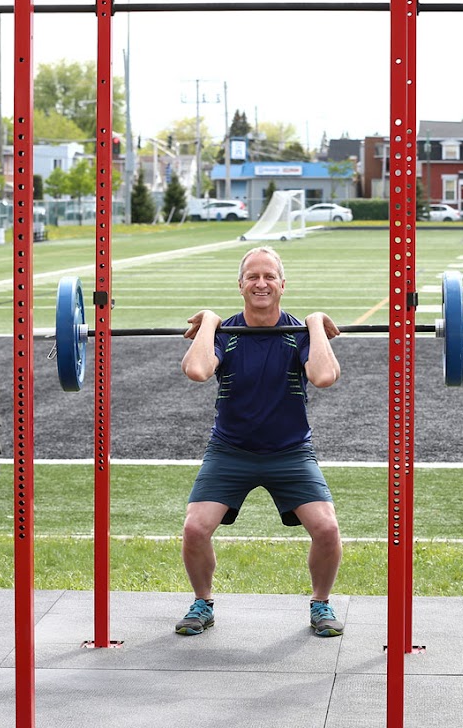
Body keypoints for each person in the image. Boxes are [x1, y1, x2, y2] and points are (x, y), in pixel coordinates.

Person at [176, 245, 344, 638]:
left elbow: (323, 377)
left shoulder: (298, 334)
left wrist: (315, 322)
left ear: (283, 285)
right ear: (240, 285)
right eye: (253, 276)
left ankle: (321, 605)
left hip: (290, 453)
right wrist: (210, 323)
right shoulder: (227, 334)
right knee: (195, 529)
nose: (261, 283)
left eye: (269, 276)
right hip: (230, 451)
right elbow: (198, 370)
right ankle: (203, 603)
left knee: (327, 529)